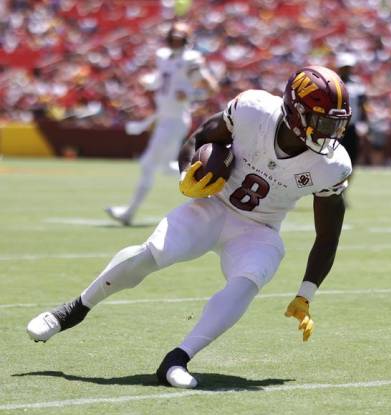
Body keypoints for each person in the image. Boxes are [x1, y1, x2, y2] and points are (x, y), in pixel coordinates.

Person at [27, 66, 353, 389]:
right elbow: (200, 138)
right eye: (323, 122)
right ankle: (72, 310)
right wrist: (188, 175)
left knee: (249, 280)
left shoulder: (332, 166)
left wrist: (305, 294)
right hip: (210, 206)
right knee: (152, 254)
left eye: (337, 124)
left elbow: (328, 234)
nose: (331, 134)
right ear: (295, 112)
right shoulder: (253, 110)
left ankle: (178, 358)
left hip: (258, 228)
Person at [106, 22, 218, 226]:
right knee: (167, 168)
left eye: (179, 38)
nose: (175, 41)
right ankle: (208, 179)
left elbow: (211, 87)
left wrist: (192, 93)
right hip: (164, 118)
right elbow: (160, 80)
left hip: (174, 121)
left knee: (148, 164)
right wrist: (150, 82)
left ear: (186, 40)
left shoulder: (190, 59)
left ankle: (129, 213)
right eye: (173, 38)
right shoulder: (163, 57)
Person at [336, 52, 368, 202]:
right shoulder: (332, 82)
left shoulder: (358, 85)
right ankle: (331, 190)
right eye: (344, 67)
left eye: (349, 67)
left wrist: (365, 125)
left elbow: (363, 107)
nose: (347, 70)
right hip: (334, 128)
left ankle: (343, 191)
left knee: (351, 161)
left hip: (351, 128)